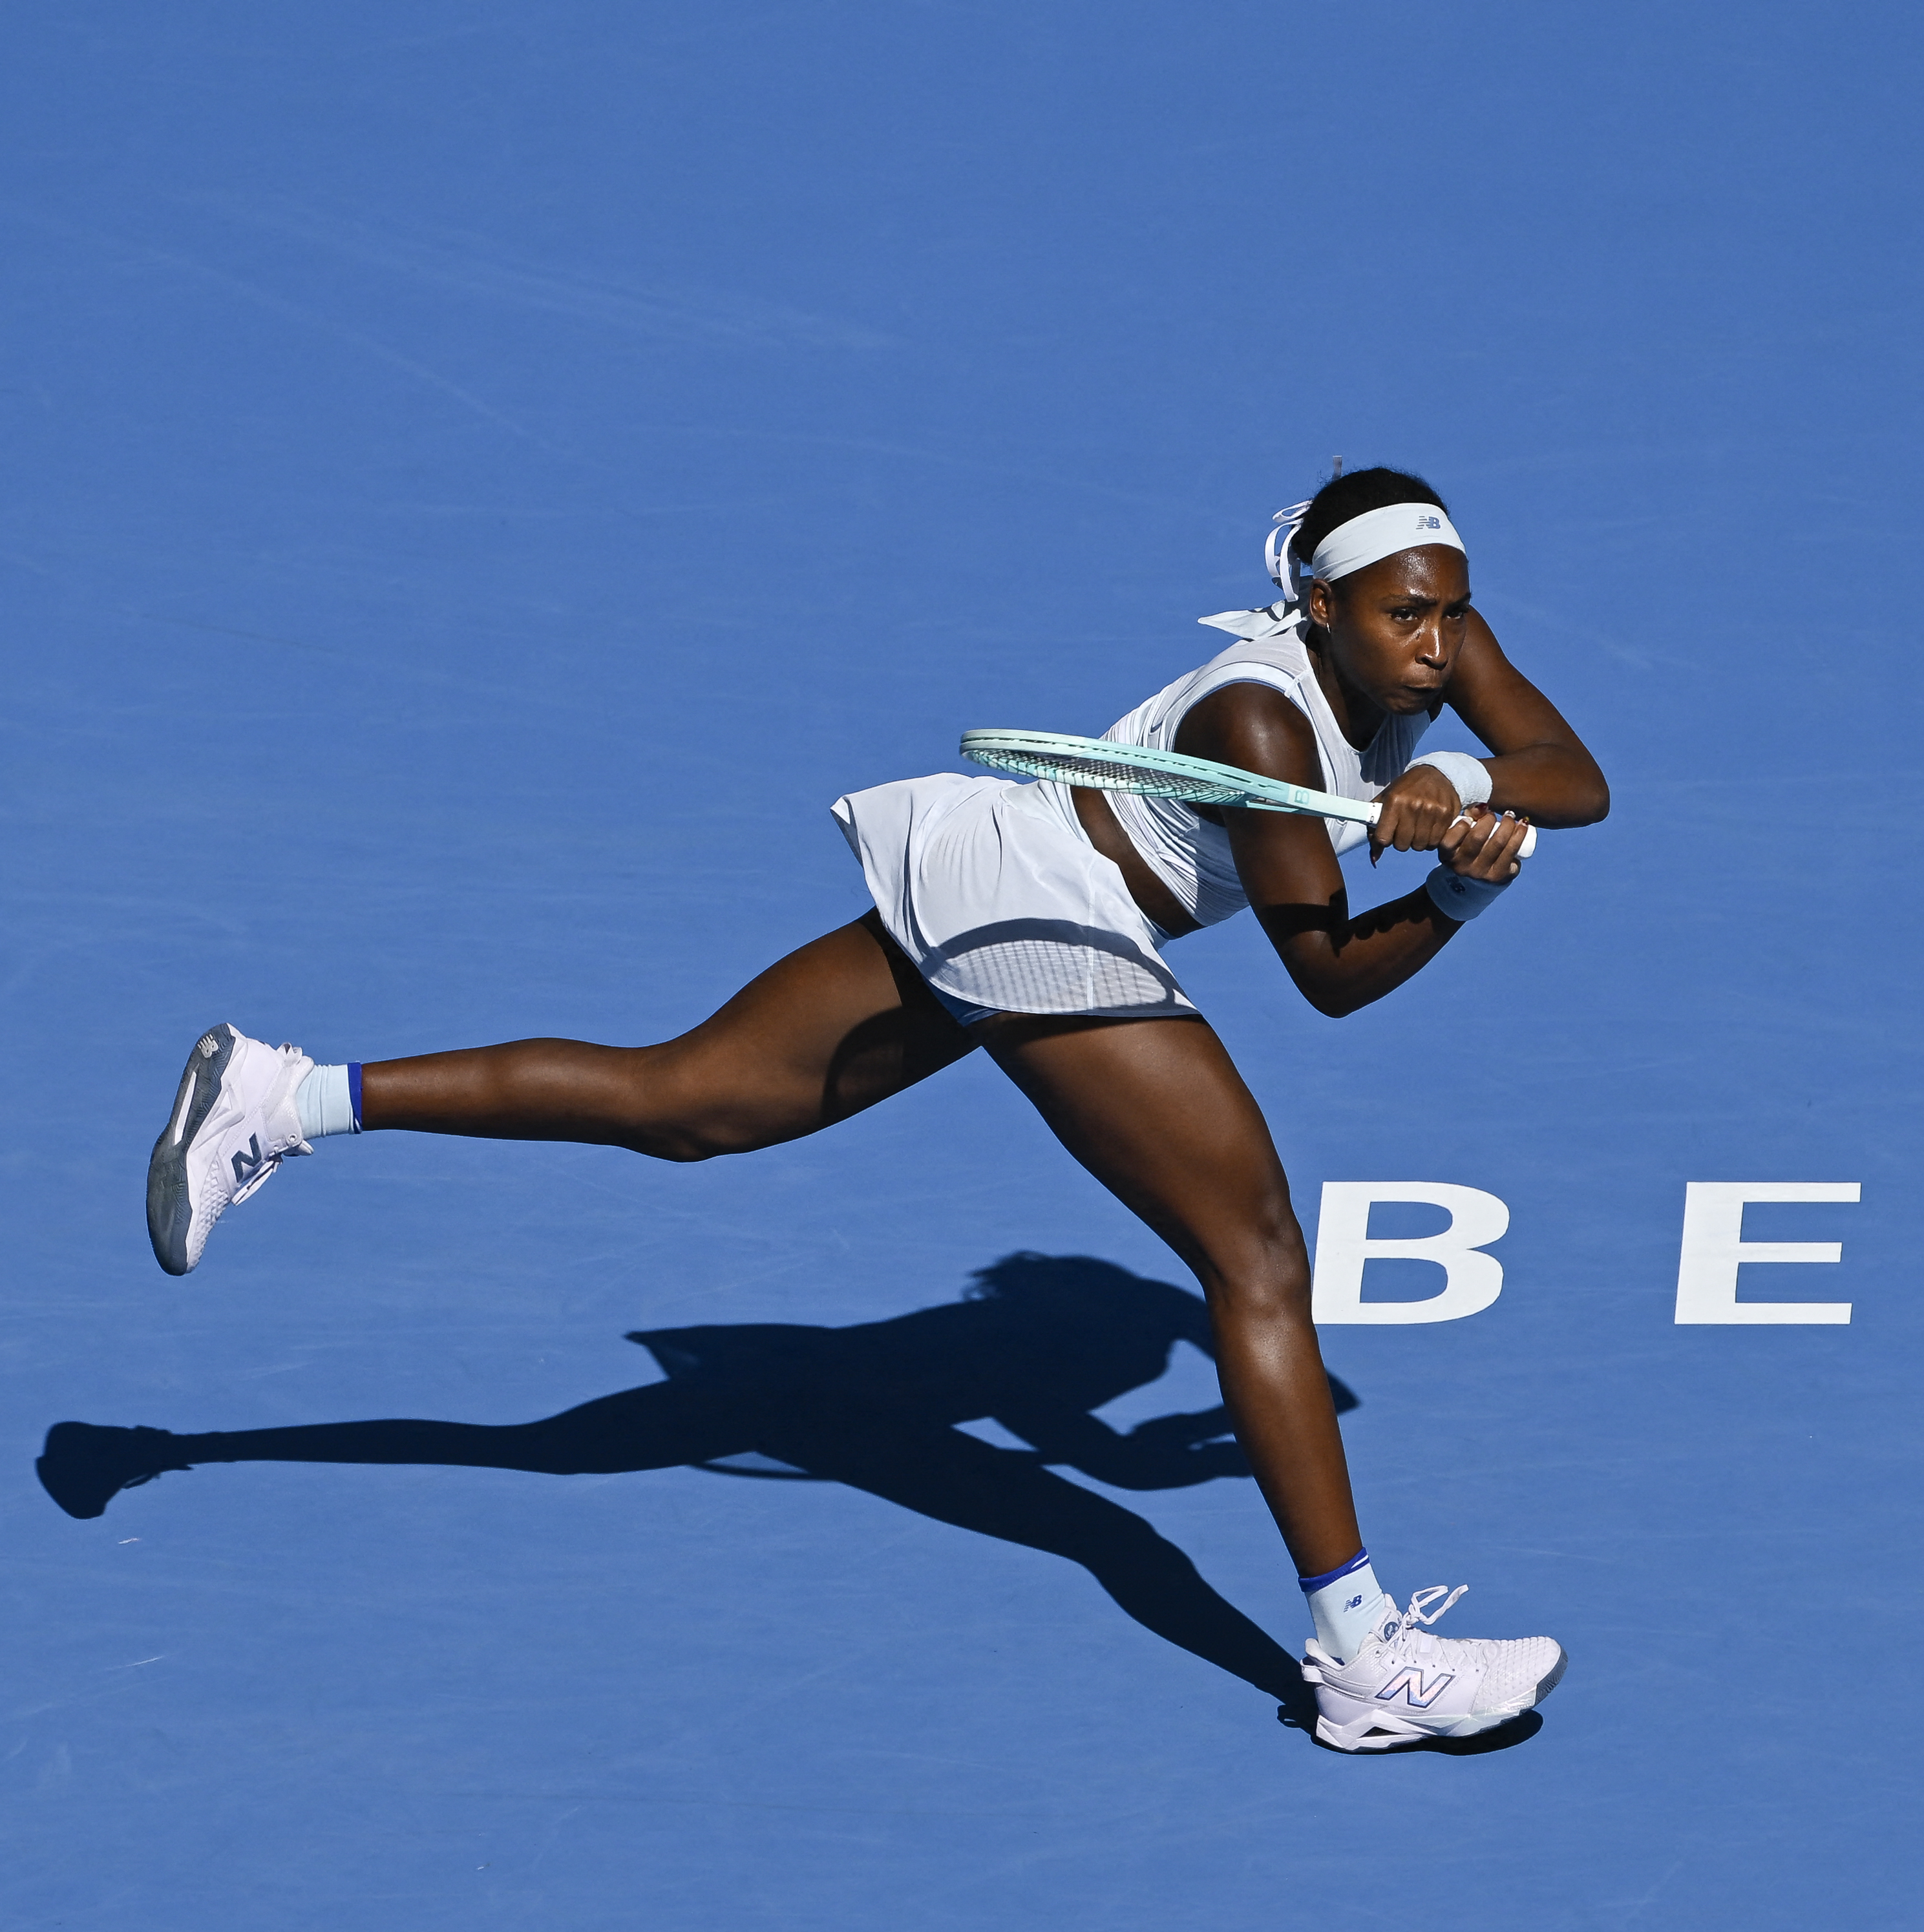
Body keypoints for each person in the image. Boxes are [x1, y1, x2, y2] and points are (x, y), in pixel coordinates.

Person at [131, 467, 1607, 1752]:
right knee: (1258, 1260)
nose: (1433, 645)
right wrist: (1463, 893)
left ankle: (284, 1095)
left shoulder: (1434, 657)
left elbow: (1575, 776)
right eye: (1402, 617)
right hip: (1047, 906)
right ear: (1317, 607)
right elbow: (1333, 982)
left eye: (1448, 614)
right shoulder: (1261, 728)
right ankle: (1362, 1662)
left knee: (686, 1101)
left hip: (995, 871)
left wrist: (1465, 781)